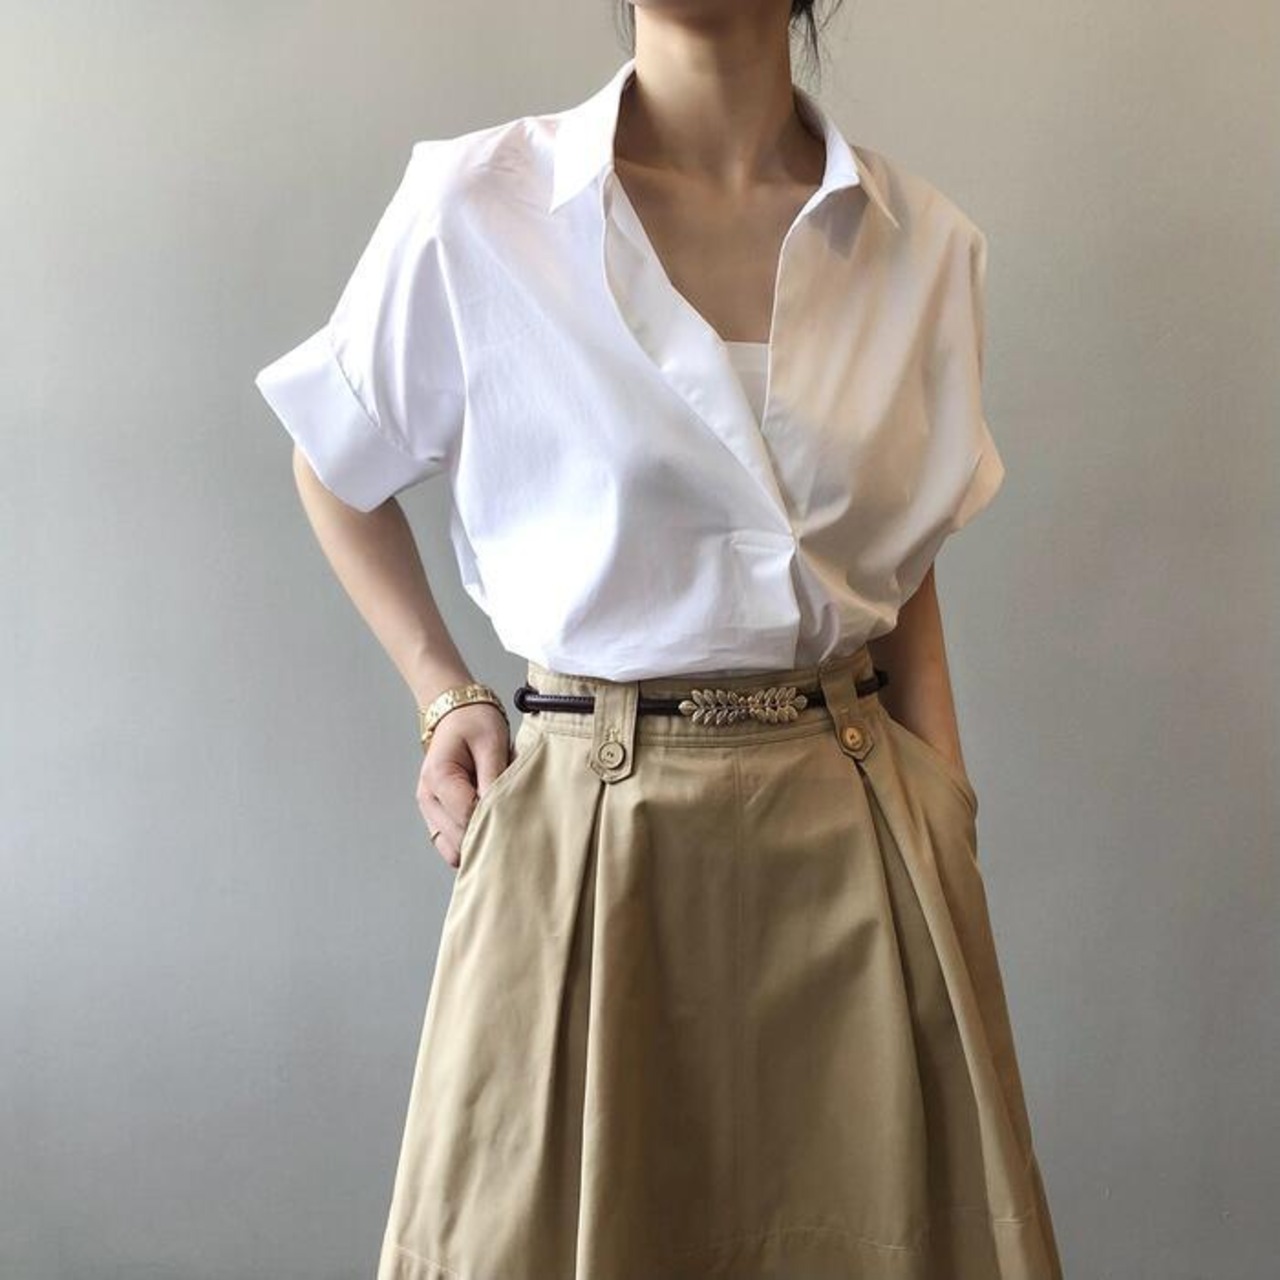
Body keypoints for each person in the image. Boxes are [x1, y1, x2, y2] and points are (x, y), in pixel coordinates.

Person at [254, 3, 1064, 1276]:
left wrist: (942, 812)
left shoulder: (920, 244)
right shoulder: (481, 205)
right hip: (587, 840)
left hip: (851, 839)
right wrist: (443, 690)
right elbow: (333, 465)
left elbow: (900, 566)